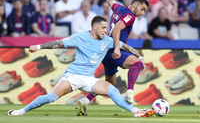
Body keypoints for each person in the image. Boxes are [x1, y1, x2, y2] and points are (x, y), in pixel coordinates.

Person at [7, 16, 155, 118]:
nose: (105, 31)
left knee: (112, 90)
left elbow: (125, 46)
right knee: (50, 97)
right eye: (103, 28)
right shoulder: (80, 37)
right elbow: (59, 43)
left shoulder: (108, 40)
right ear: (95, 27)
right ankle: (21, 111)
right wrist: (38, 47)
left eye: (106, 28)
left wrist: (139, 57)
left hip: (89, 79)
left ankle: (136, 111)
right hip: (73, 76)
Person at [78, 0, 149, 114]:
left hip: (105, 52)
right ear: (135, 4)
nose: (142, 12)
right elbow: (117, 29)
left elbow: (111, 1)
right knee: (138, 63)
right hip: (114, 50)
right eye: (142, 8)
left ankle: (86, 100)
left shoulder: (118, 9)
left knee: (109, 83)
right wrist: (117, 47)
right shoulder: (130, 16)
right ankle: (130, 92)